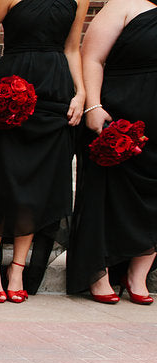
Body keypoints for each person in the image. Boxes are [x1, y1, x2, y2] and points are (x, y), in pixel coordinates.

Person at [0, 0, 86, 303]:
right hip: (9, 91)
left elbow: (72, 49)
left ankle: (18, 269)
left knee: (38, 188)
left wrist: (81, 92)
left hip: (56, 96)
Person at [66, 0, 157, 304]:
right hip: (119, 117)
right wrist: (93, 105)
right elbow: (92, 58)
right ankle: (98, 272)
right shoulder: (124, 5)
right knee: (107, 194)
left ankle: (137, 275)